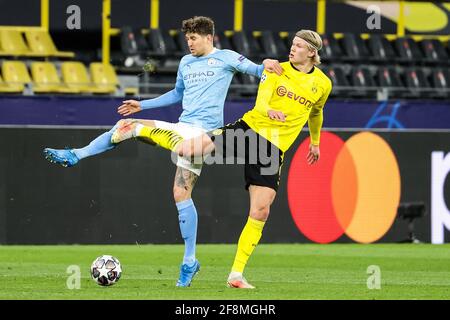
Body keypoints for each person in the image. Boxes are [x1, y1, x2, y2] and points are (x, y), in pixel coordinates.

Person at [43, 16, 282, 287]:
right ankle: (190, 261)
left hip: (203, 135)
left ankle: (77, 154)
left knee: (127, 126)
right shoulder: (185, 62)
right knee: (181, 194)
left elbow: (256, 70)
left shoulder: (226, 57)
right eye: (187, 39)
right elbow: (176, 94)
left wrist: (267, 67)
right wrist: (142, 105)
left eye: (193, 38)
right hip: (183, 129)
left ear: (208, 37)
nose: (189, 43)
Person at [111, 29, 332, 289]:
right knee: (185, 150)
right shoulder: (276, 70)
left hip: (273, 148)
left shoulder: (323, 84)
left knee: (261, 211)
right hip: (248, 130)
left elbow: (316, 112)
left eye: (298, 46)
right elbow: (261, 103)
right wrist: (269, 110)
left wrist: (315, 142)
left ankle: (236, 275)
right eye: (292, 44)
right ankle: (139, 128)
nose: (292, 49)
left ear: (312, 52)